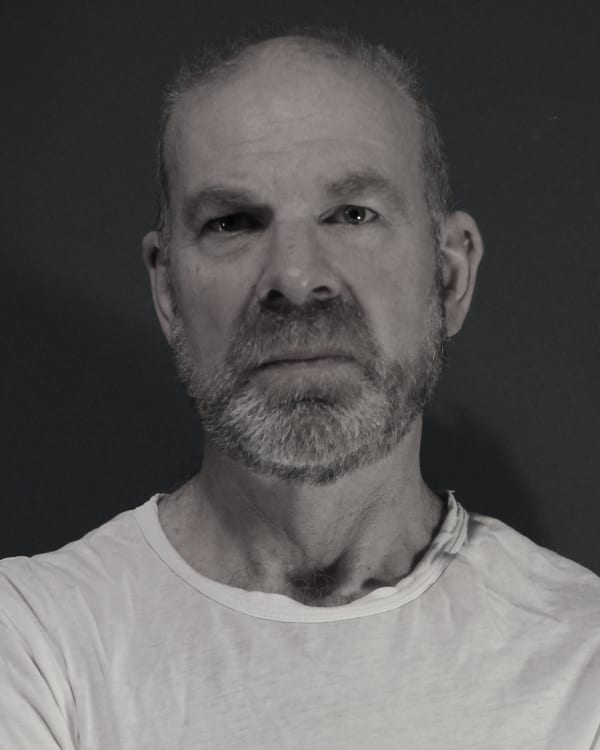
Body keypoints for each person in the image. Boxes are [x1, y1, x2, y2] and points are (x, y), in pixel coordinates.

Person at [1, 26, 599, 750]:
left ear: (449, 275)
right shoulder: (32, 642)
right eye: (233, 223)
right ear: (166, 289)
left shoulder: (583, 659)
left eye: (352, 214)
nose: (295, 276)